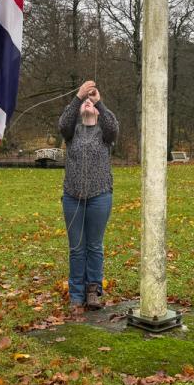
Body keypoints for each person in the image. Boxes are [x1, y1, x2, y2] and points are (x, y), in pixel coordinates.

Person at [58, 79, 119, 311]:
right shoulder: (71, 132)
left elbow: (113, 127)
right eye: (85, 103)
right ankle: (76, 295)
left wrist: (98, 101)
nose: (87, 103)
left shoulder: (105, 134)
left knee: (94, 246)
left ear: (97, 111)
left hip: (100, 196)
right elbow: (63, 123)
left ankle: (93, 291)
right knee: (76, 248)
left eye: (90, 104)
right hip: (72, 196)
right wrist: (78, 97)